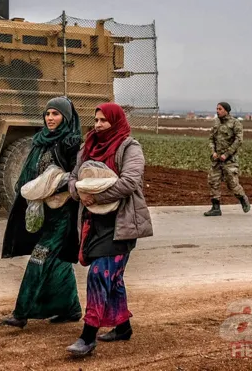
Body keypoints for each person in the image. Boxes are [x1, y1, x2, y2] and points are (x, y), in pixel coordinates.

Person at [66, 103, 153, 357]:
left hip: (121, 225)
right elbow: (74, 177)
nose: (98, 125)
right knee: (112, 278)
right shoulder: (88, 146)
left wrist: (97, 197)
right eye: (96, 120)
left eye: (104, 120)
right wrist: (79, 193)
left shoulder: (129, 147)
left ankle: (87, 336)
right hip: (93, 224)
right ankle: (123, 327)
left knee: (99, 275)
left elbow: (129, 181)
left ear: (115, 122)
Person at [0, 97, 83, 329]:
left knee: (39, 257)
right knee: (59, 261)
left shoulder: (72, 143)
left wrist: (55, 184)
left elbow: (78, 176)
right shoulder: (40, 140)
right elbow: (28, 172)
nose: (50, 118)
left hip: (63, 214)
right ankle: (71, 309)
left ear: (66, 117)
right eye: (47, 114)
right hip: (42, 212)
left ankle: (21, 312)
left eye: (55, 114)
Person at [205, 101, 251, 216]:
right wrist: (213, 152)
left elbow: (238, 141)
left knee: (232, 184)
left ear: (226, 110)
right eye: (217, 109)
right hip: (216, 160)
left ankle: (242, 198)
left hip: (229, 160)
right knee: (213, 181)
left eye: (220, 109)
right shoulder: (216, 123)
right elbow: (211, 139)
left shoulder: (235, 123)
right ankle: (216, 208)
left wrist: (227, 154)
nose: (217, 111)